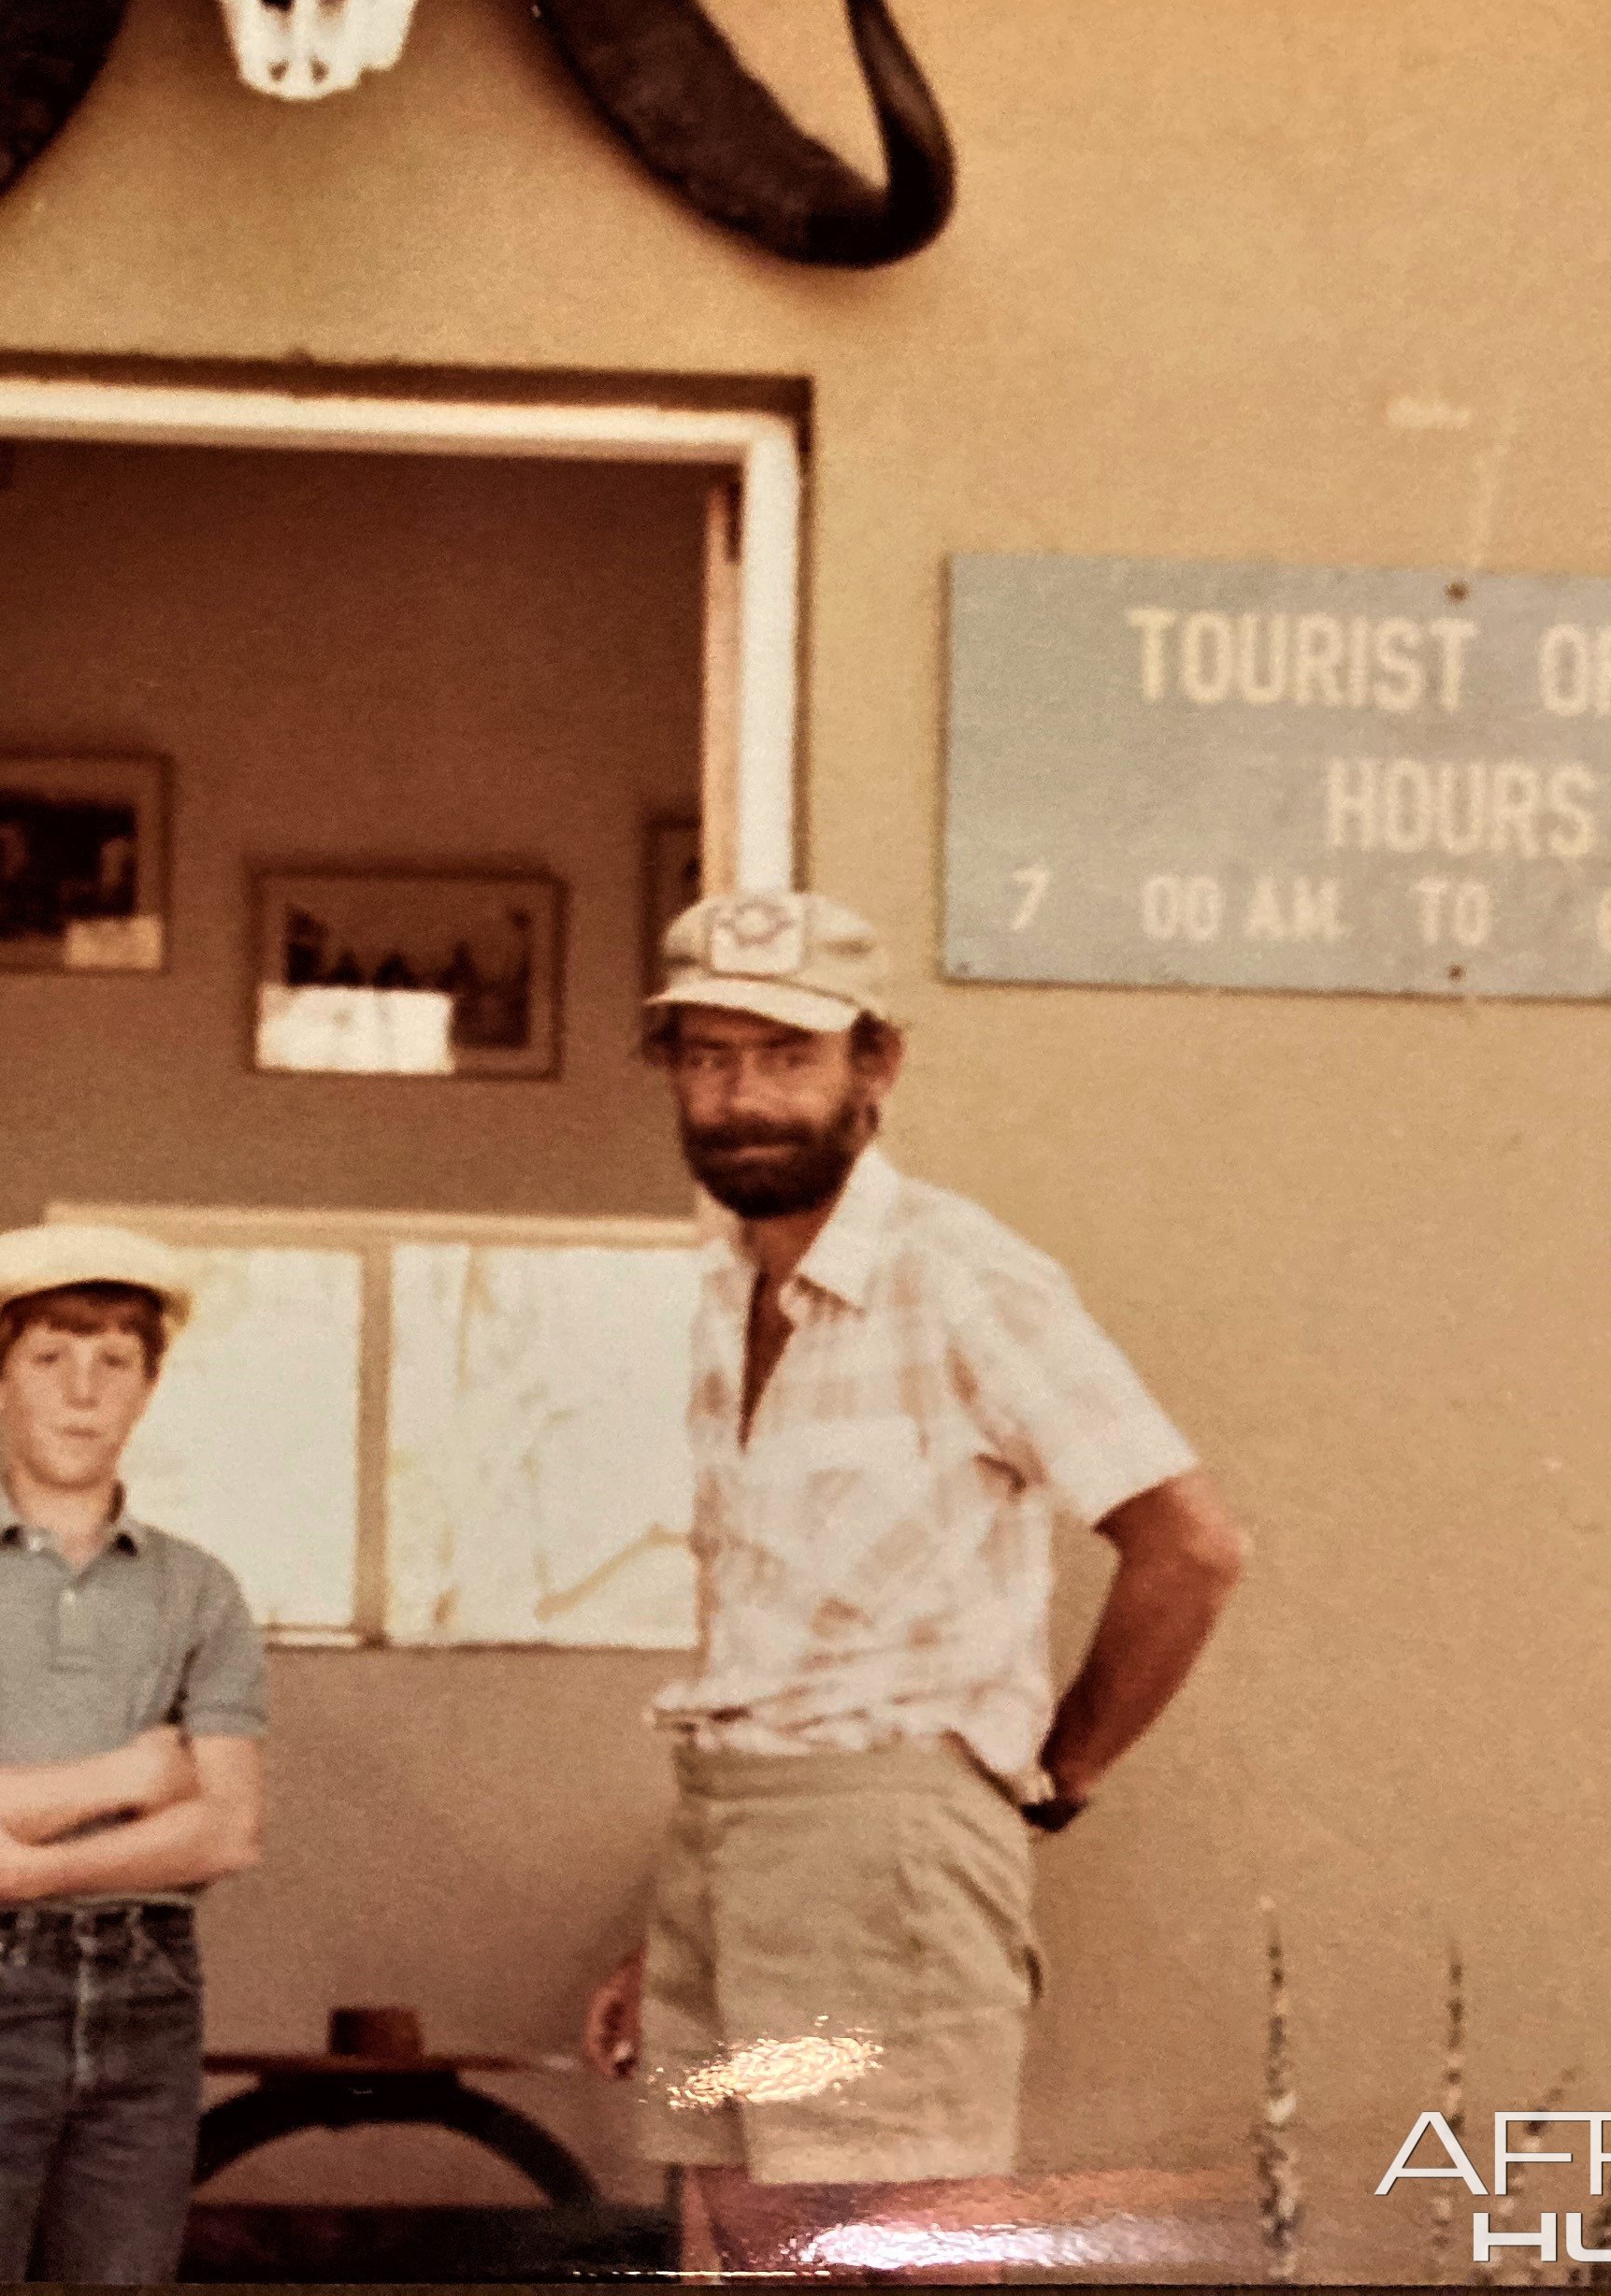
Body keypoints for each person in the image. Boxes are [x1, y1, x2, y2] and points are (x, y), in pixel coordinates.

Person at [583, 889, 1249, 2274]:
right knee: (745, 2239)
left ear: (874, 1066)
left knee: (889, 2250)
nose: (742, 1096)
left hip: (887, 1847)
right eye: (708, 1058)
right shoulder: (728, 1293)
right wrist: (685, 1925)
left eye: (785, 1056)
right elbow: (775, 1652)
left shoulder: (959, 1275)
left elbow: (1190, 1548)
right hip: (731, 1845)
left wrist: (1054, 1777)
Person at [0, 1223, 268, 2285]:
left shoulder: (199, 1590)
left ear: (147, 1385)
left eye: (113, 1363)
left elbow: (227, 1825)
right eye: (49, 1359)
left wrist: (26, 1864)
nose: (83, 1392)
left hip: (151, 1988)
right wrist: (134, 1778)